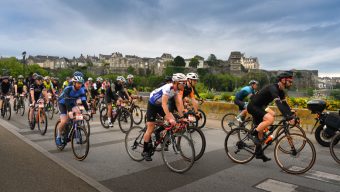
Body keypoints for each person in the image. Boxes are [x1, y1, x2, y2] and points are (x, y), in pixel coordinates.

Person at [247, 71, 295, 162]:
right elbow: (278, 104)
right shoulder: (273, 88)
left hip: (259, 107)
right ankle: (252, 134)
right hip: (253, 106)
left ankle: (259, 153)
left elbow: (284, 105)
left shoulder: (281, 92)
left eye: (291, 82)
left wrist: (290, 115)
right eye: (290, 81)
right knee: (270, 118)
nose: (291, 83)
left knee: (260, 134)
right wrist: (287, 116)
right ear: (283, 80)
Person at [142, 73, 187, 161]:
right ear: (176, 82)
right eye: (183, 83)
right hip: (153, 104)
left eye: (185, 83)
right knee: (150, 127)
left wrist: (182, 117)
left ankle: (158, 131)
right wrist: (169, 118)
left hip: (160, 106)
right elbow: (164, 104)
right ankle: (145, 151)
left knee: (173, 122)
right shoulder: (168, 88)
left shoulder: (177, 90)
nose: (184, 85)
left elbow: (178, 104)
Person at [56, 75, 89, 146]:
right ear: (74, 83)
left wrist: (88, 110)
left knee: (78, 113)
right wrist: (70, 111)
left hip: (71, 103)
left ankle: (75, 129)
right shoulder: (68, 89)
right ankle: (58, 136)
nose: (80, 85)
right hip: (62, 103)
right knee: (64, 121)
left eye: (81, 83)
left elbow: (83, 101)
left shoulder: (81, 90)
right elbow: (67, 101)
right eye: (78, 83)